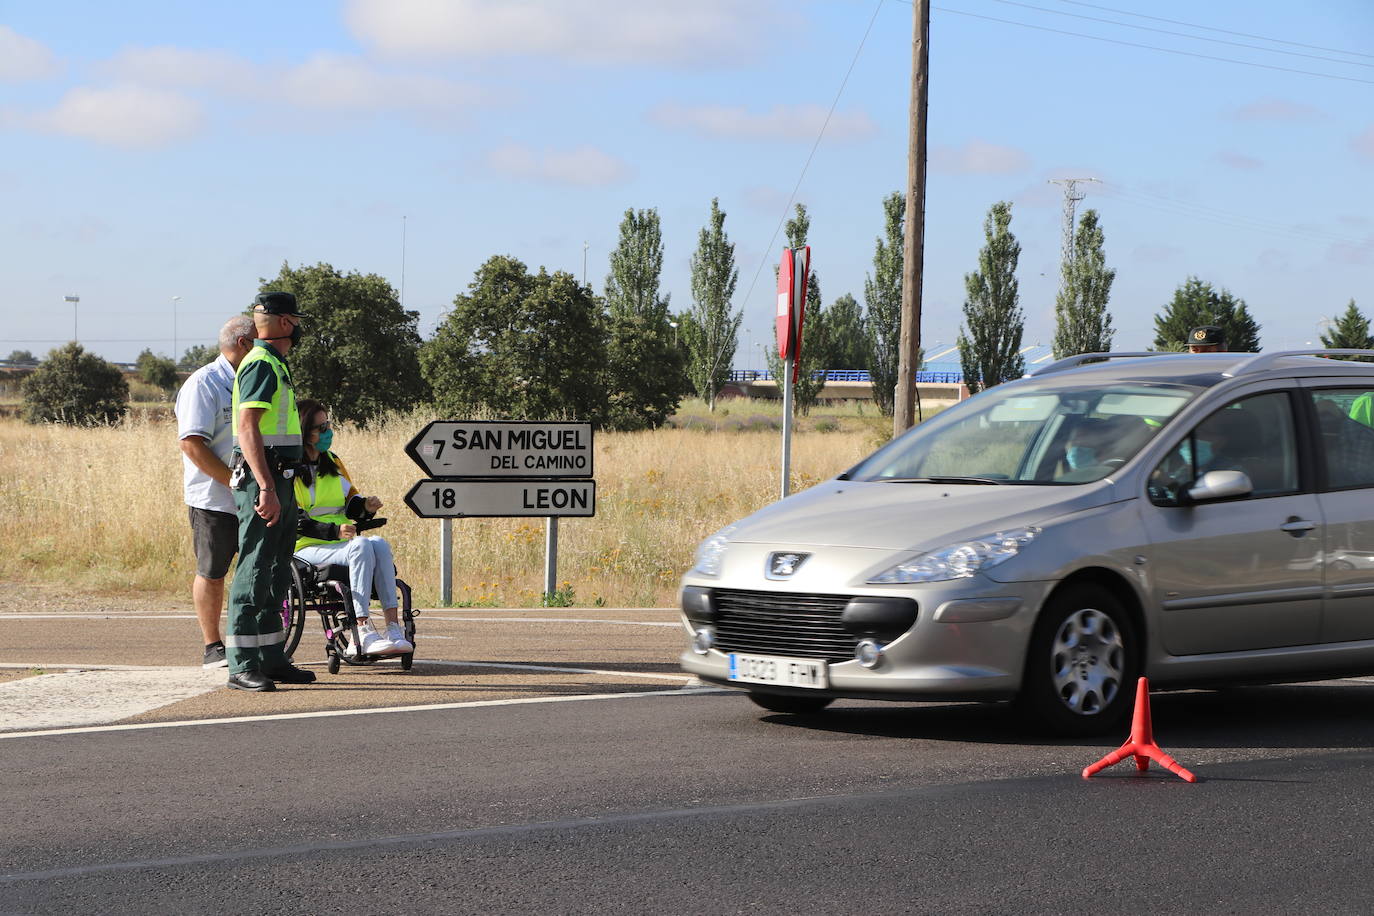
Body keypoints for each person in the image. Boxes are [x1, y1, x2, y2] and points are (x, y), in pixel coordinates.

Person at [225, 291, 317, 692]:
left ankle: (272, 657)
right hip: (266, 481)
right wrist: (265, 487)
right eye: (295, 319)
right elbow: (248, 428)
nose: (298, 327)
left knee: (278, 569)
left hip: (282, 478)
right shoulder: (262, 363)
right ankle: (242, 664)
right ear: (283, 322)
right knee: (255, 567)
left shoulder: (274, 363)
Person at [293, 398, 413, 656]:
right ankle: (362, 631)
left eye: (329, 425)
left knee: (379, 543)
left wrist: (365, 507)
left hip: (341, 544)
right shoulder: (290, 469)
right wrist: (333, 532)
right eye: (321, 428)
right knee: (360, 544)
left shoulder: (333, 462)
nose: (328, 432)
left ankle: (393, 629)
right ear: (304, 432)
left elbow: (350, 503)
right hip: (306, 547)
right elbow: (295, 520)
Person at [175, 315, 255, 668]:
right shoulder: (204, 383)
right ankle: (213, 646)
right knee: (213, 571)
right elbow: (192, 444)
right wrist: (233, 482)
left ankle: (250, 640)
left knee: (256, 571)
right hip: (214, 498)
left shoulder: (254, 380)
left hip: (256, 496)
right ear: (243, 344)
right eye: (259, 342)